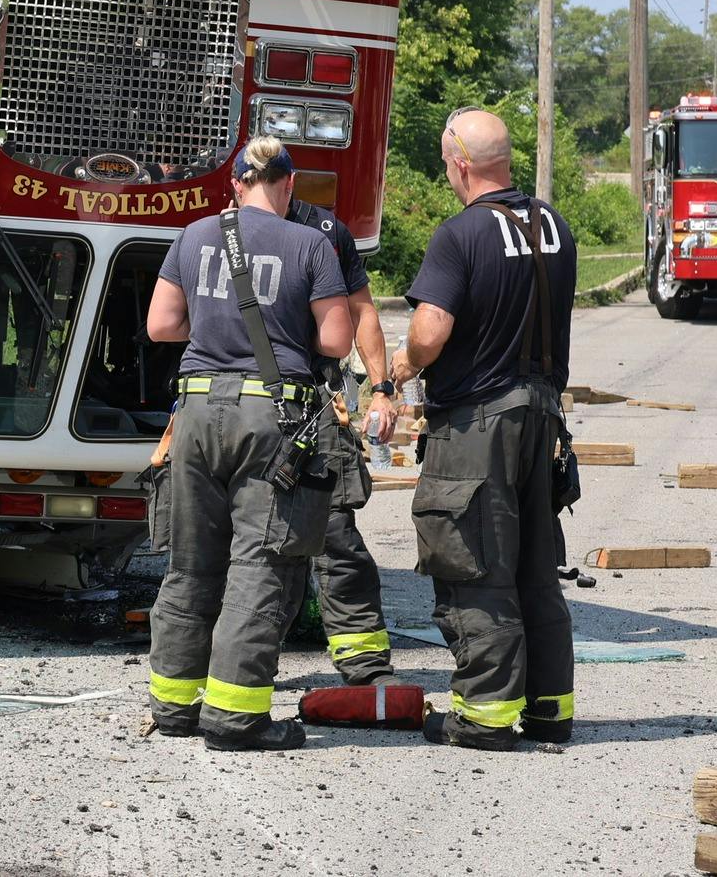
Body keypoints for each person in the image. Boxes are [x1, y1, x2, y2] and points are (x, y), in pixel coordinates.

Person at [144, 137, 353, 751]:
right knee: (259, 564)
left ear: (234, 185)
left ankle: (173, 707)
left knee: (189, 563)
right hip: (271, 419)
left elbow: (162, 326)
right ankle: (235, 716)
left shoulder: (193, 236)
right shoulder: (310, 243)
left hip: (195, 413)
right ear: (288, 187)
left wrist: (215, 329)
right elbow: (337, 341)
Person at [392, 107, 577, 751]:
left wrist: (406, 362)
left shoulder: (460, 235)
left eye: (447, 160)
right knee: (533, 565)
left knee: (474, 561)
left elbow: (431, 330)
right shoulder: (552, 225)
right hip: (543, 417)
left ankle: (486, 714)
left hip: (478, 424)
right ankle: (550, 708)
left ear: (461, 163)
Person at [286, 195, 400, 684]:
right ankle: (237, 667)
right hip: (252, 406)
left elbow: (362, 311)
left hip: (313, 403)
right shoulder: (218, 234)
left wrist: (381, 390)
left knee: (333, 533)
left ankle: (364, 664)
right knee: (246, 540)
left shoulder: (327, 231)